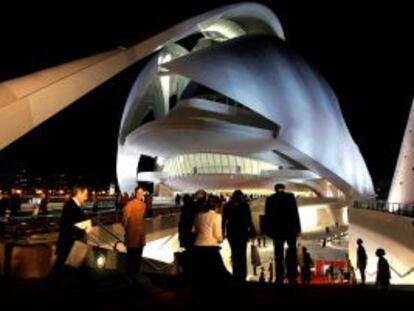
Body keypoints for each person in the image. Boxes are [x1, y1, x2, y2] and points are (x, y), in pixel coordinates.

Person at [47, 185, 90, 286]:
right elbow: (66, 226)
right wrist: (84, 227)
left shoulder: (72, 205)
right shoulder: (71, 206)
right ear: (79, 193)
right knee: (59, 267)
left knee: (63, 267)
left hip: (71, 243)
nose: (86, 198)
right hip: (69, 243)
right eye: (85, 195)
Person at [192, 195, 230, 302]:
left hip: (198, 246)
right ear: (217, 206)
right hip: (210, 248)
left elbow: (194, 230)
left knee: (201, 274)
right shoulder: (217, 216)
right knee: (217, 274)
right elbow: (217, 235)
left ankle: (200, 297)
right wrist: (222, 239)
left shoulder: (198, 215)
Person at [264, 184, 301, 284]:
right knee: (292, 253)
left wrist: (268, 231)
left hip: (277, 231)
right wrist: (298, 228)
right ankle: (292, 275)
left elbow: (267, 217)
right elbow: (295, 213)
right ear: (284, 189)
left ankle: (279, 276)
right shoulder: (290, 197)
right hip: (290, 229)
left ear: (275, 189)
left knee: (278, 254)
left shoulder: (270, 199)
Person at [222, 190, 256, 282]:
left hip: (232, 233)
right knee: (242, 254)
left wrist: (223, 233)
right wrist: (253, 231)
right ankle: (242, 274)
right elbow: (249, 220)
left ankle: (236, 274)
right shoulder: (245, 206)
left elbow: (224, 221)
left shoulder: (227, 206)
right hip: (242, 233)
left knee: (235, 253)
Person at [122, 186, 146, 282]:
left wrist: (128, 227)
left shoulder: (131, 205)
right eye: (139, 193)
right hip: (136, 236)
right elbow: (126, 221)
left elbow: (124, 221)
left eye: (142, 193)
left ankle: (131, 275)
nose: (140, 194)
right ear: (136, 193)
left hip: (135, 236)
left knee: (133, 257)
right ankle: (133, 275)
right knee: (135, 257)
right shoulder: (137, 205)